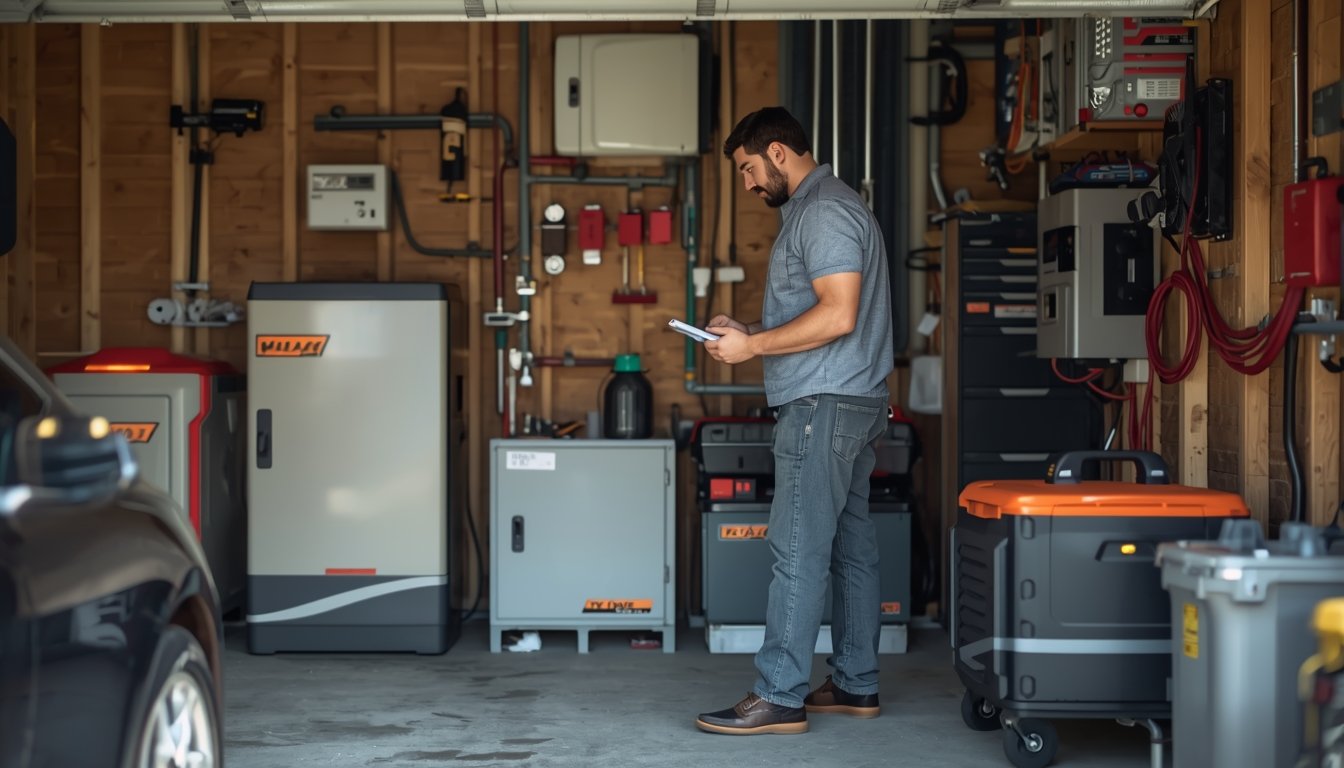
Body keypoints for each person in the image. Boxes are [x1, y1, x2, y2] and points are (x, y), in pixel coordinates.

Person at [695, 106, 894, 736]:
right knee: (851, 551)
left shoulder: (824, 210)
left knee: (797, 550)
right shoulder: (821, 209)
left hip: (823, 406)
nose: (749, 184)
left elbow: (837, 315)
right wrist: (751, 331)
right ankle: (857, 683)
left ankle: (779, 693)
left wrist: (753, 349)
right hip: (851, 401)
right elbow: (824, 314)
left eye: (750, 169)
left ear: (779, 153)